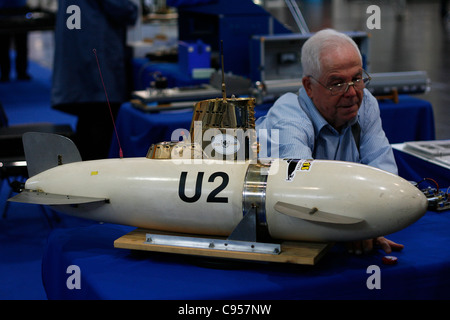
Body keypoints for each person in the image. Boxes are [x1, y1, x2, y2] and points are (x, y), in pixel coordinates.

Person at [256, 29, 403, 255]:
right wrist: (352, 227)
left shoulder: (365, 105)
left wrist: (371, 224)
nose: (352, 93)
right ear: (309, 87)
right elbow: (299, 192)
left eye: (357, 78)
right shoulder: (288, 118)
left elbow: (383, 173)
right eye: (337, 83)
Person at [51, 0, 138, 160]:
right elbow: (122, 9)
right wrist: (133, 9)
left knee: (89, 120)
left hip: (80, 52)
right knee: (100, 125)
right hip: (96, 57)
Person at [0, 0, 31, 82]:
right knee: (4, 47)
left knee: (21, 46)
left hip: (19, 14)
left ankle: (21, 72)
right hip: (4, 15)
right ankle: (5, 73)